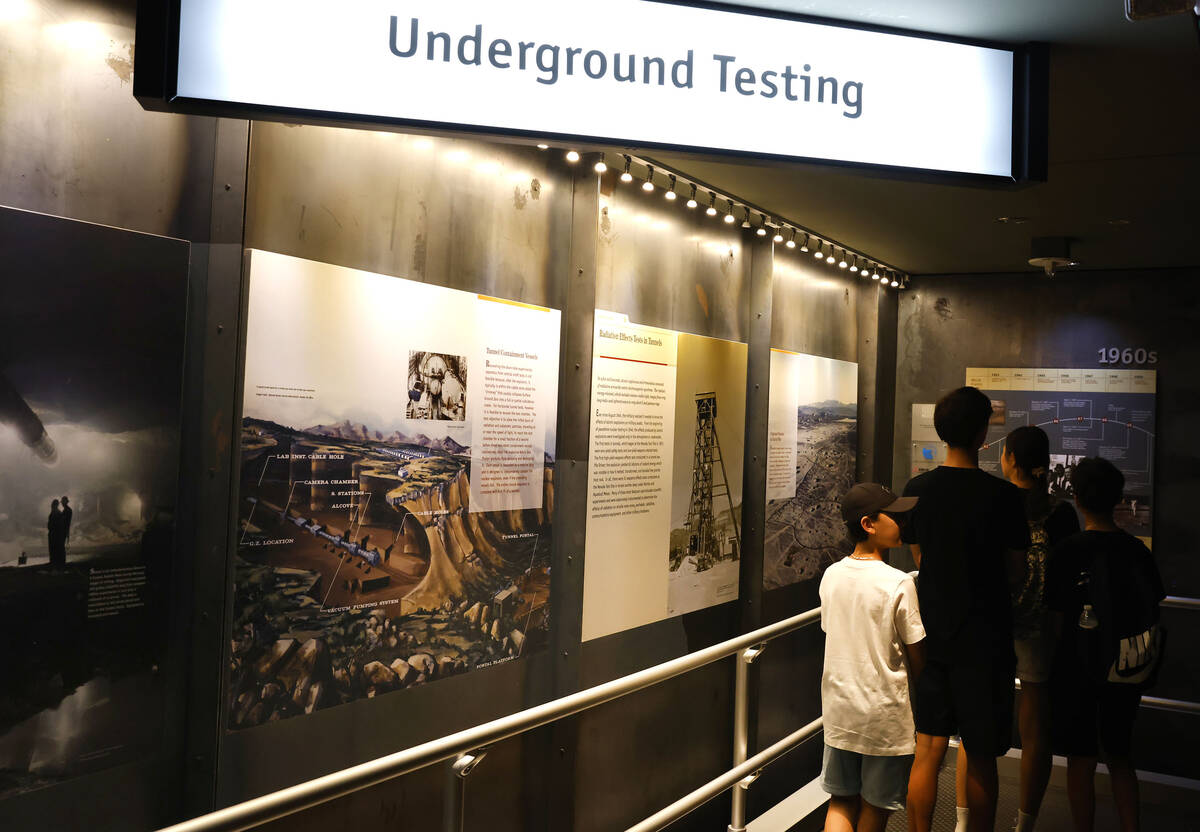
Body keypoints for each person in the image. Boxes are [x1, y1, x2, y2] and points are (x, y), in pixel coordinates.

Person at [901, 387, 1030, 832]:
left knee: (928, 748)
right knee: (981, 753)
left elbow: (918, 556)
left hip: (934, 634)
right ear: (983, 434)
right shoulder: (1005, 497)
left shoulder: (917, 490)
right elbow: (1016, 570)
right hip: (987, 640)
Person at [953, 426, 1080, 831]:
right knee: (1035, 726)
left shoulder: (996, 498)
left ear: (1008, 458)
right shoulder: (1061, 513)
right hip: (1039, 625)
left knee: (974, 722)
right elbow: (1065, 580)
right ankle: (1025, 822)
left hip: (993, 618)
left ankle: (961, 820)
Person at [1046, 458, 1164, 832]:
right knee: (1120, 756)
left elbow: (1056, 618)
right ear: (1117, 499)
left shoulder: (1066, 551)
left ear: (1076, 498)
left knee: (1080, 759)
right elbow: (1153, 607)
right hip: (1126, 667)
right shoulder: (1137, 552)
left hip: (1076, 669)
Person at [819, 483, 926, 832]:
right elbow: (916, 653)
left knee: (840, 802)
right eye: (893, 516)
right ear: (869, 524)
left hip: (839, 710)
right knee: (876, 809)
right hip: (884, 717)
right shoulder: (897, 583)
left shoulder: (831, 576)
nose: (902, 521)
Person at [47, 498, 67, 567]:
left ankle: (55, 562)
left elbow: (56, 524)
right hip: (55, 533)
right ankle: (56, 561)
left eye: (53, 505)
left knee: (55, 548)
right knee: (55, 548)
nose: (52, 506)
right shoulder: (57, 512)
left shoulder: (56, 512)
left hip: (55, 534)